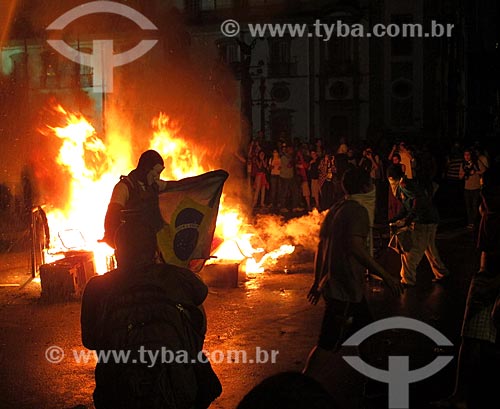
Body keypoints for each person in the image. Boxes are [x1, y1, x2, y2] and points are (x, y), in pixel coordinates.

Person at [81, 217, 220, 409]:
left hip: (119, 394)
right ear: (155, 250)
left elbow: (90, 340)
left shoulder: (97, 288)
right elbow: (198, 331)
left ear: (117, 253)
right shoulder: (181, 280)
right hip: (178, 391)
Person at [304, 167, 403, 380]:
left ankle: (374, 383)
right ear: (366, 186)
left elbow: (321, 248)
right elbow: (356, 248)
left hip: (340, 287)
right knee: (327, 344)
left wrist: (316, 282)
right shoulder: (357, 211)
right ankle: (302, 385)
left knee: (368, 334)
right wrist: (386, 275)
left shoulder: (336, 209)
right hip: (345, 289)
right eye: (371, 182)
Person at [431, 163, 500, 409]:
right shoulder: (488, 211)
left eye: (490, 191)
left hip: (494, 282)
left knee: (478, 343)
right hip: (483, 279)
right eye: (483, 189)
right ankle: (460, 397)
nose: (484, 195)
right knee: (471, 340)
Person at [387, 165, 450, 286]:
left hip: (424, 220)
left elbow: (419, 200)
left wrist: (410, 218)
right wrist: (396, 218)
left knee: (411, 251)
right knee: (430, 249)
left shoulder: (404, 184)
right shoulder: (402, 185)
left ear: (391, 177)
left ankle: (407, 279)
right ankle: (442, 273)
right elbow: (407, 206)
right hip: (430, 219)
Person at [103, 150, 171, 248]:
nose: (158, 177)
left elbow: (177, 185)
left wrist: (200, 181)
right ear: (146, 169)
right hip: (131, 251)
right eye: (156, 172)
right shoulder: (124, 188)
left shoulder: (153, 186)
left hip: (149, 249)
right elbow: (111, 220)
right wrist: (122, 248)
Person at [459, 148, 486, 229]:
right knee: (468, 206)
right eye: (465, 155)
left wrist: (475, 172)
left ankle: (474, 222)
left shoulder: (476, 162)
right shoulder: (463, 164)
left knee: (474, 205)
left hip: (476, 187)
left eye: (468, 155)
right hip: (467, 188)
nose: (466, 156)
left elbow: (484, 170)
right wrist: (463, 174)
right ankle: (470, 222)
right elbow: (460, 177)